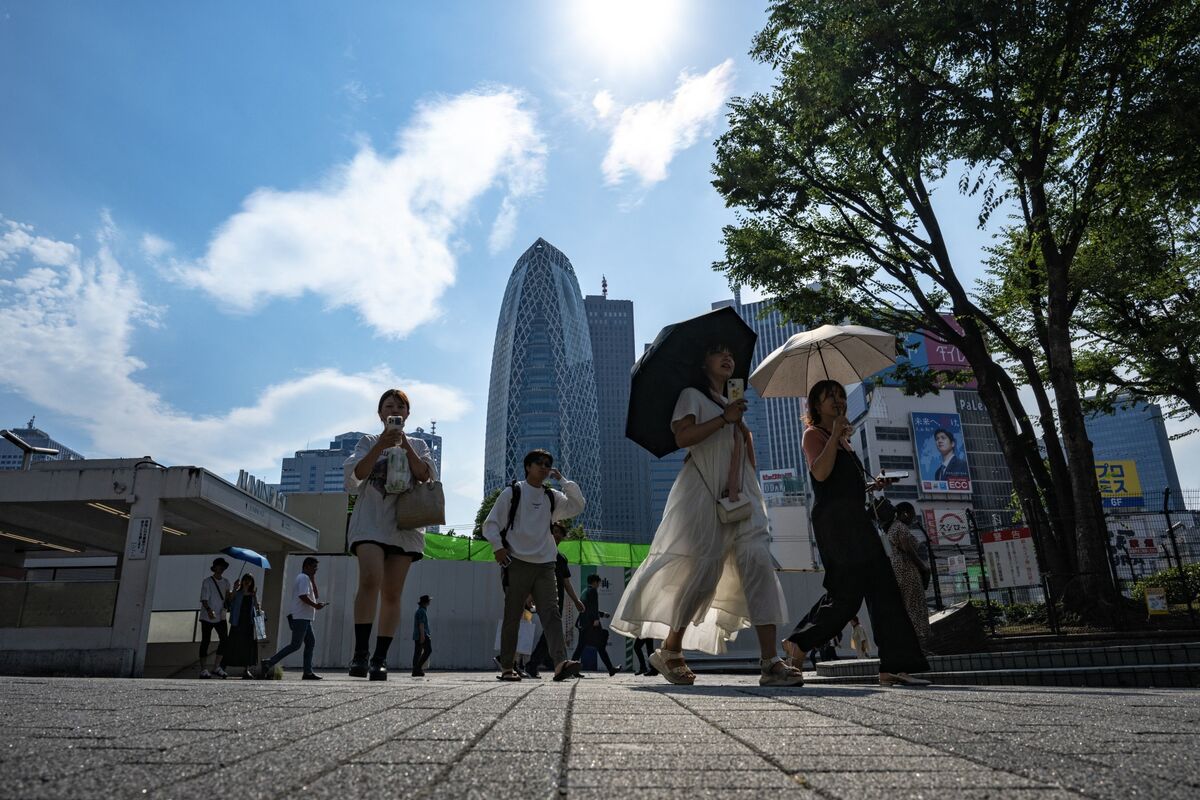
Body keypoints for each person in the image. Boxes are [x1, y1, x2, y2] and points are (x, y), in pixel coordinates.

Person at [611, 344, 804, 687]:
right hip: (703, 493)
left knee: (758, 562)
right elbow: (683, 436)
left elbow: (742, 454)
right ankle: (670, 649)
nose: (727, 357)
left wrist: (736, 423)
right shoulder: (692, 396)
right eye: (717, 353)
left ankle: (770, 661)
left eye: (731, 353)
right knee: (702, 573)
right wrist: (723, 420)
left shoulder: (733, 406)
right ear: (703, 362)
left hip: (742, 495)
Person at [783, 380, 930, 687]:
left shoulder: (844, 440)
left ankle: (894, 665)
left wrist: (872, 485)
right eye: (830, 397)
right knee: (846, 596)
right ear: (816, 405)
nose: (838, 401)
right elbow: (821, 474)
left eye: (840, 395)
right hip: (835, 524)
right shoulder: (814, 435)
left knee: (884, 589)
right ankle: (798, 642)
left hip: (856, 520)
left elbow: (843, 485)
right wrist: (835, 434)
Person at [344, 388, 439, 681]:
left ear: (408, 414)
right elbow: (355, 476)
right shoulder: (368, 441)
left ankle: (379, 658)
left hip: (405, 526)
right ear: (380, 413)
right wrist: (381, 445)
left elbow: (426, 476)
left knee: (393, 592)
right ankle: (360, 653)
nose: (394, 409)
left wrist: (405, 445)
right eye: (388, 405)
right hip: (370, 522)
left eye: (400, 406)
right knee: (370, 578)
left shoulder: (420, 444)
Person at [482, 449, 585, 682]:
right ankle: (507, 666)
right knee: (513, 614)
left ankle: (560, 663)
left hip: (545, 564)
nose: (544, 466)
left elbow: (578, 505)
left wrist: (563, 480)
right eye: (539, 463)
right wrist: (498, 548)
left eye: (548, 464)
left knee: (551, 614)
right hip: (516, 562)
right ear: (528, 466)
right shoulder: (513, 492)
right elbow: (490, 525)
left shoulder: (552, 496)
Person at [526, 522, 585, 679]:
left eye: (559, 532)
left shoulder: (561, 558)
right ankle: (542, 664)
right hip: (544, 599)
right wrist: (530, 596)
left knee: (550, 633)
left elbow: (566, 583)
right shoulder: (540, 554)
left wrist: (576, 601)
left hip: (557, 601)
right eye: (554, 532)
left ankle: (548, 663)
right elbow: (534, 577)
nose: (557, 535)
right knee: (552, 632)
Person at [261, 557, 328, 680]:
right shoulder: (303, 578)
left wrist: (313, 580)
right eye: (314, 567)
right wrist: (315, 606)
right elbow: (302, 596)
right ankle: (269, 662)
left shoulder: (307, 578)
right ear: (307, 566)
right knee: (295, 645)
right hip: (301, 617)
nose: (315, 570)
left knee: (310, 643)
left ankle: (308, 672)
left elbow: (316, 595)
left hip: (305, 617)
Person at [888, 502, 933, 654]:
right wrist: (923, 566)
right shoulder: (900, 527)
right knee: (914, 607)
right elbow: (909, 550)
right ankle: (918, 647)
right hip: (907, 572)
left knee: (907, 608)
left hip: (899, 572)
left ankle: (912, 647)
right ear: (906, 513)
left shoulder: (892, 527)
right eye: (912, 515)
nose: (913, 519)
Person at [571, 573, 621, 676]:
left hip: (583, 624)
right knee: (601, 644)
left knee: (581, 648)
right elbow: (593, 607)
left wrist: (602, 614)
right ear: (595, 582)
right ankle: (610, 669)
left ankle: (571, 669)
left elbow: (587, 608)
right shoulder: (593, 591)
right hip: (591, 624)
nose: (599, 585)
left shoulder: (585, 591)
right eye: (598, 582)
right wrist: (596, 619)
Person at [222, 574, 261, 679]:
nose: (247, 582)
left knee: (248, 647)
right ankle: (223, 667)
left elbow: (257, 608)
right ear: (242, 581)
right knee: (232, 644)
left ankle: (246, 669)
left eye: (249, 580)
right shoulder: (238, 593)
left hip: (249, 624)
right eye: (245, 580)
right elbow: (229, 602)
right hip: (237, 622)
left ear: (252, 582)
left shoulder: (253, 594)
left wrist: (255, 598)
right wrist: (234, 588)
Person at [198, 557, 231, 679]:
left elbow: (228, 598)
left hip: (220, 615)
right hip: (207, 616)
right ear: (214, 567)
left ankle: (216, 666)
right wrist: (209, 610)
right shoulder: (207, 581)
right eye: (219, 566)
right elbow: (204, 599)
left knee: (224, 640)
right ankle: (203, 669)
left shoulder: (226, 582)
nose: (221, 568)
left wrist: (235, 589)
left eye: (223, 566)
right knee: (205, 641)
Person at [412, 594, 432, 677]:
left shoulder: (421, 610)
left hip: (418, 635)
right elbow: (421, 624)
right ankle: (418, 668)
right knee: (428, 650)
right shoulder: (421, 611)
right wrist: (423, 636)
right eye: (429, 601)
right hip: (422, 634)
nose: (430, 602)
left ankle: (416, 670)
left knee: (418, 652)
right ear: (425, 602)